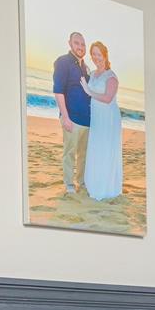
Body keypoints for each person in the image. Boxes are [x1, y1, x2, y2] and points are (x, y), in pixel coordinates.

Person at [82, 41, 123, 201]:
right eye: (93, 54)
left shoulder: (111, 77)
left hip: (108, 119)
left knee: (105, 150)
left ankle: (105, 188)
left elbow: (107, 98)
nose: (96, 57)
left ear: (105, 55)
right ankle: (93, 183)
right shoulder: (92, 73)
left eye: (99, 54)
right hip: (97, 118)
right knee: (96, 149)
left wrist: (89, 91)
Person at [52, 31, 92, 195]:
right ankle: (69, 184)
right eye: (77, 43)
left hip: (87, 121)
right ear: (70, 43)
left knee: (84, 155)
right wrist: (65, 117)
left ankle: (81, 183)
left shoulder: (85, 67)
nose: (80, 47)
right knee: (69, 153)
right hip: (72, 119)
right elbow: (58, 91)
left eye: (83, 44)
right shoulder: (62, 62)